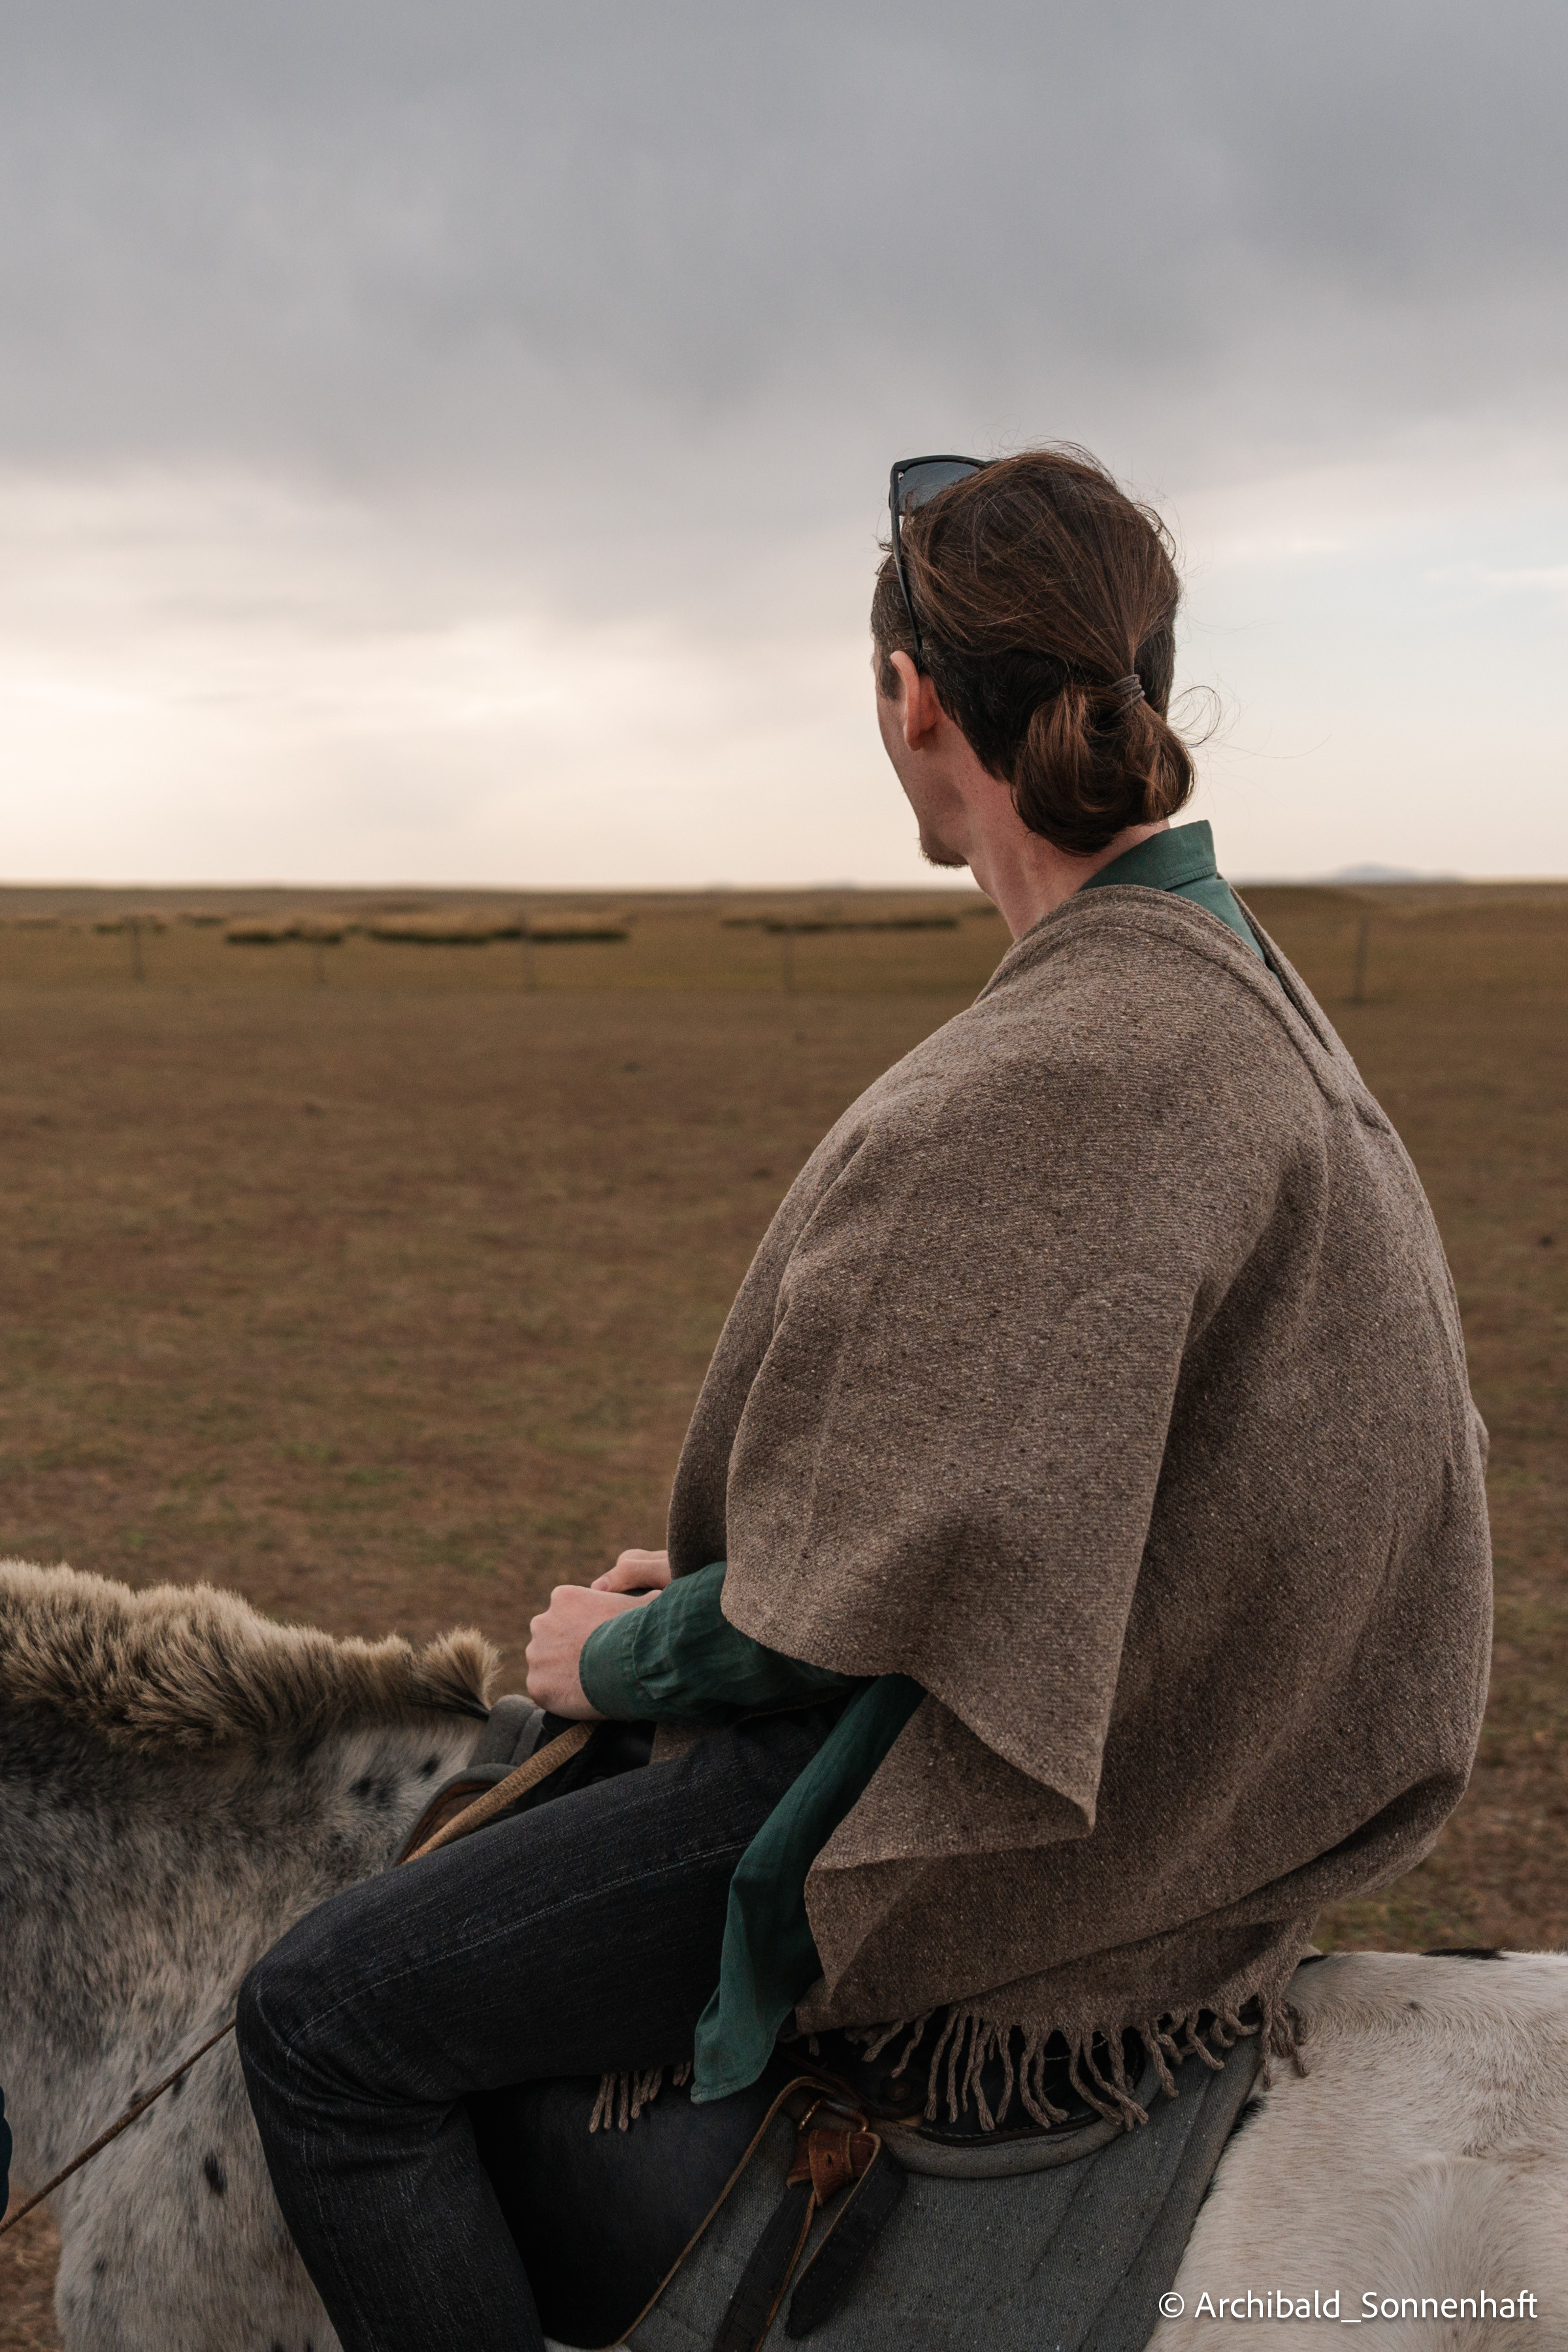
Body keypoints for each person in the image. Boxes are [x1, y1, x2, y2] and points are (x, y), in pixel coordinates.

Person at [238, 446, 1492, 2352]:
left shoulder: (1065, 1070)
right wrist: (771, 1578)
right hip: (1193, 1744)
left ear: (913, 701)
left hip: (1021, 1822)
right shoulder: (1235, 987)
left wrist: (628, 1656)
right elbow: (1013, 1502)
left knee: (322, 2024)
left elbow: (887, 1606)